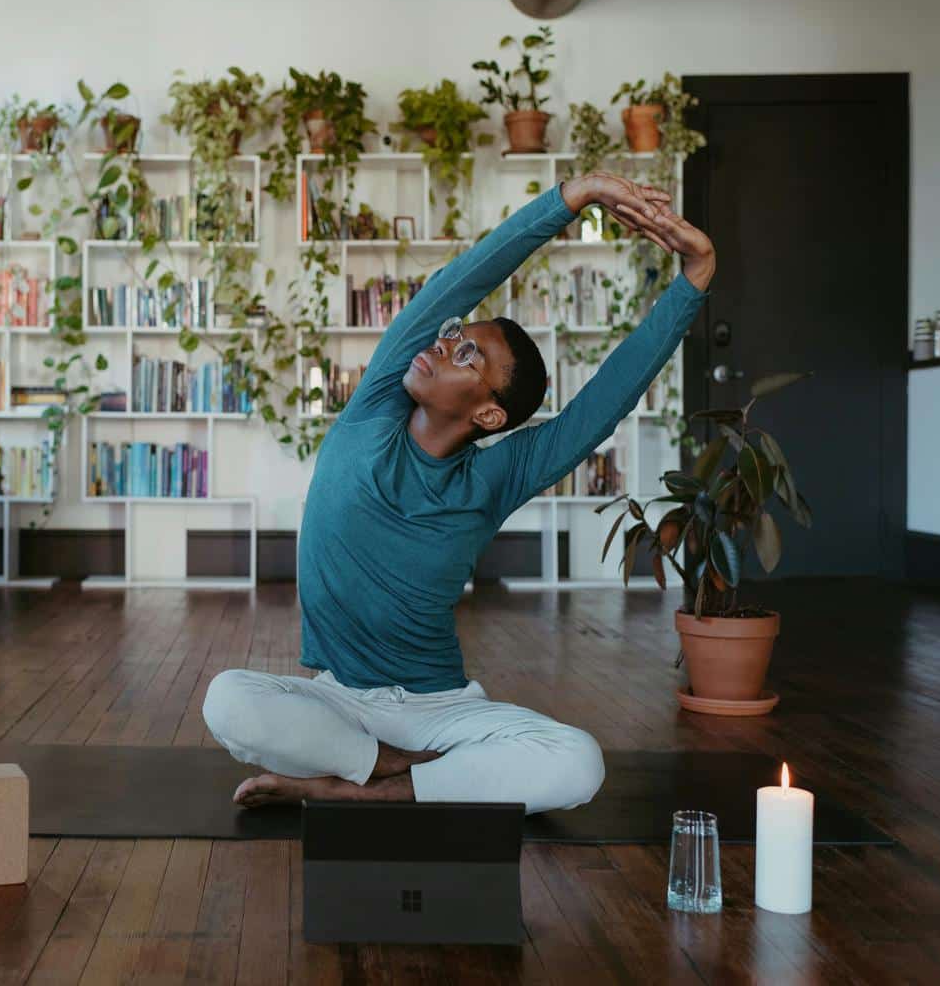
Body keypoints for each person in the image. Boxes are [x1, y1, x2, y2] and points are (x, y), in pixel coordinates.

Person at [202, 172, 715, 813]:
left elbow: (600, 408)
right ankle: (390, 771)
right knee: (227, 698)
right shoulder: (373, 410)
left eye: (467, 355)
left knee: (578, 763)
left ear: (491, 416)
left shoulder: (494, 477)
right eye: (454, 335)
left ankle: (365, 790)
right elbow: (465, 278)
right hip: (334, 699)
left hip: (434, 712)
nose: (444, 345)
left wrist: (693, 276)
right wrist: (571, 197)